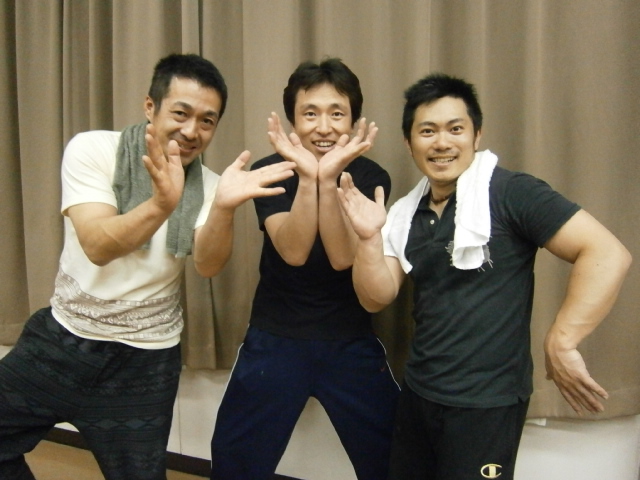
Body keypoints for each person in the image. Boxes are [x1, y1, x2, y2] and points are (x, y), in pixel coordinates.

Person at [0, 53, 295, 480]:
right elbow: (98, 245)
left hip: (144, 362)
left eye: (207, 121)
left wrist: (224, 208)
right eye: (181, 113)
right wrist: (161, 204)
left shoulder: (211, 185)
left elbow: (209, 264)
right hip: (62, 340)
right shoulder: (94, 149)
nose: (192, 131)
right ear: (150, 107)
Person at [337, 73, 632, 480]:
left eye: (455, 129)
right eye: (427, 131)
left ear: (476, 135)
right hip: (419, 393)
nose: (442, 142)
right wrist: (369, 238)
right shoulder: (405, 211)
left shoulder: (512, 192)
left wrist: (562, 340)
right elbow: (376, 296)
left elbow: (606, 252)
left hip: (487, 404)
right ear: (409, 142)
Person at [210, 58, 400, 480]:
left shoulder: (371, 175)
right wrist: (310, 181)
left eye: (337, 113)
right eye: (310, 114)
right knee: (234, 459)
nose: (324, 127)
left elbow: (343, 256)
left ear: (353, 120)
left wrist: (327, 181)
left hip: (350, 336)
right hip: (275, 335)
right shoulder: (270, 170)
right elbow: (292, 250)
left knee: (393, 457)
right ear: (294, 121)